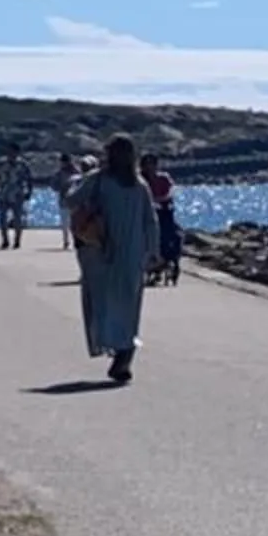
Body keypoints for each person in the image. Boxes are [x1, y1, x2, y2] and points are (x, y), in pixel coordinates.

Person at [67, 133, 161, 383]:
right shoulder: (139, 185)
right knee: (128, 306)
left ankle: (114, 347)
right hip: (133, 254)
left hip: (102, 251)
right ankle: (124, 352)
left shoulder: (98, 180)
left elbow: (71, 200)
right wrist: (153, 252)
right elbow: (150, 221)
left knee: (102, 302)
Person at [145, 157, 182, 285]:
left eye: (152, 164)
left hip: (164, 211)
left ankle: (169, 259)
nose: (150, 168)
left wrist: (161, 199)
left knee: (173, 234)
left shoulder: (164, 178)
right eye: (148, 165)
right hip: (147, 213)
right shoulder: (142, 180)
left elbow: (171, 190)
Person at [0, 146, 35, 249]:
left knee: (18, 219)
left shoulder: (23, 164)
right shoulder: (2, 163)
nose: (12, 154)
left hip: (17, 194)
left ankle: (17, 240)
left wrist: (29, 191)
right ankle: (5, 240)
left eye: (14, 152)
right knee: (2, 218)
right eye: (10, 152)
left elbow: (29, 179)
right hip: (4, 194)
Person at [54, 150, 81, 248]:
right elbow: (54, 185)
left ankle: (76, 240)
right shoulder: (59, 173)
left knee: (75, 222)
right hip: (64, 200)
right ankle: (66, 241)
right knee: (65, 223)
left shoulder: (77, 172)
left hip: (75, 201)